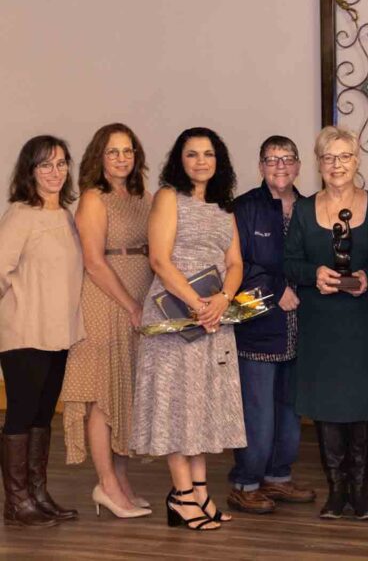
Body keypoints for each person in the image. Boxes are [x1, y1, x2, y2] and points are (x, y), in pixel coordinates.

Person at [130, 127, 246, 531]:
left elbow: (235, 263)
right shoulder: (167, 197)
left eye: (208, 154)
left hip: (213, 317)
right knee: (177, 406)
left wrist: (222, 301)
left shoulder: (223, 206)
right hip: (174, 316)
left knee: (203, 407)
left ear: (219, 160)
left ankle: (200, 494)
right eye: (192, 154)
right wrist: (199, 305)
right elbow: (160, 260)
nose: (201, 161)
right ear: (180, 161)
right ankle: (180, 497)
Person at [284, 126, 368, 521]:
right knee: (327, 407)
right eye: (329, 158)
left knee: (364, 405)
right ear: (319, 164)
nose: (337, 165)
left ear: (356, 160)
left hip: (365, 322)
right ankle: (335, 492)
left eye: (344, 156)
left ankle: (361, 493)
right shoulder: (303, 209)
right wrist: (315, 275)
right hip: (322, 322)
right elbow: (290, 262)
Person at [62, 123, 153, 519]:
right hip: (105, 301)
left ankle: (122, 481)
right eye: (113, 151)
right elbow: (94, 263)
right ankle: (106, 484)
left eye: (128, 151)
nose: (121, 158)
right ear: (99, 157)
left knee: (125, 392)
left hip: (139, 292)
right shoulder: (93, 199)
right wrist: (131, 304)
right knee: (103, 395)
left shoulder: (141, 196)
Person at [226, 135, 315, 514]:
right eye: (271, 159)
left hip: (303, 326)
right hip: (257, 323)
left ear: (298, 166)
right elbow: (237, 263)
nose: (280, 166)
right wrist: (277, 289)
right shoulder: (244, 208)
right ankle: (245, 482)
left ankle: (277, 478)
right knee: (257, 412)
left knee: (290, 412)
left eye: (287, 159)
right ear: (260, 166)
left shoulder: (313, 208)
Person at [0, 135, 84, 527]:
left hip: (58, 332)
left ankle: (37, 493)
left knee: (42, 415)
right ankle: (16, 502)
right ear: (29, 171)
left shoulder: (65, 215)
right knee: (20, 414)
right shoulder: (20, 214)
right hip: (24, 331)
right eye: (45, 165)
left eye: (62, 163)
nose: (55, 172)